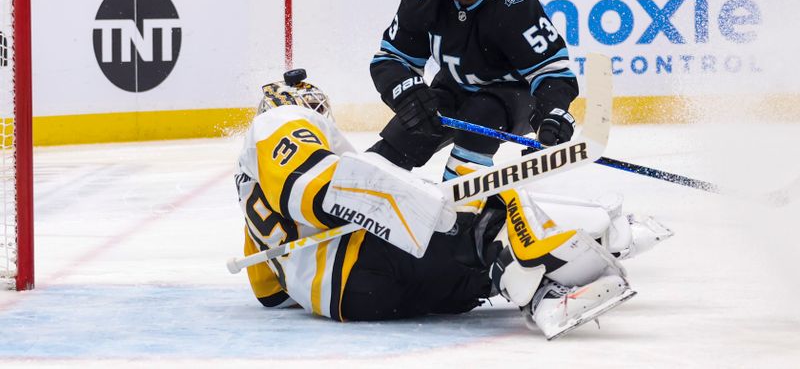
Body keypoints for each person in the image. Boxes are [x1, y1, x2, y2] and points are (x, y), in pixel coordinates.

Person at [235, 69, 665, 337]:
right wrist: (407, 204)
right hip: (367, 263)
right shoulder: (280, 121)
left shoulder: (249, 193)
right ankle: (589, 241)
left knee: (474, 262)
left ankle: (547, 294)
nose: (319, 116)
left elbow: (268, 293)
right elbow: (312, 189)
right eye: (314, 109)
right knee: (486, 199)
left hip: (358, 301)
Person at [368, 0, 577, 190]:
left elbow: (553, 71)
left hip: (513, 98)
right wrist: (406, 93)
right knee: (409, 127)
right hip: (453, 89)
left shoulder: (513, 2)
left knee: (482, 112)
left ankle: (461, 211)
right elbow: (389, 59)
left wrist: (552, 113)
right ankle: (366, 194)